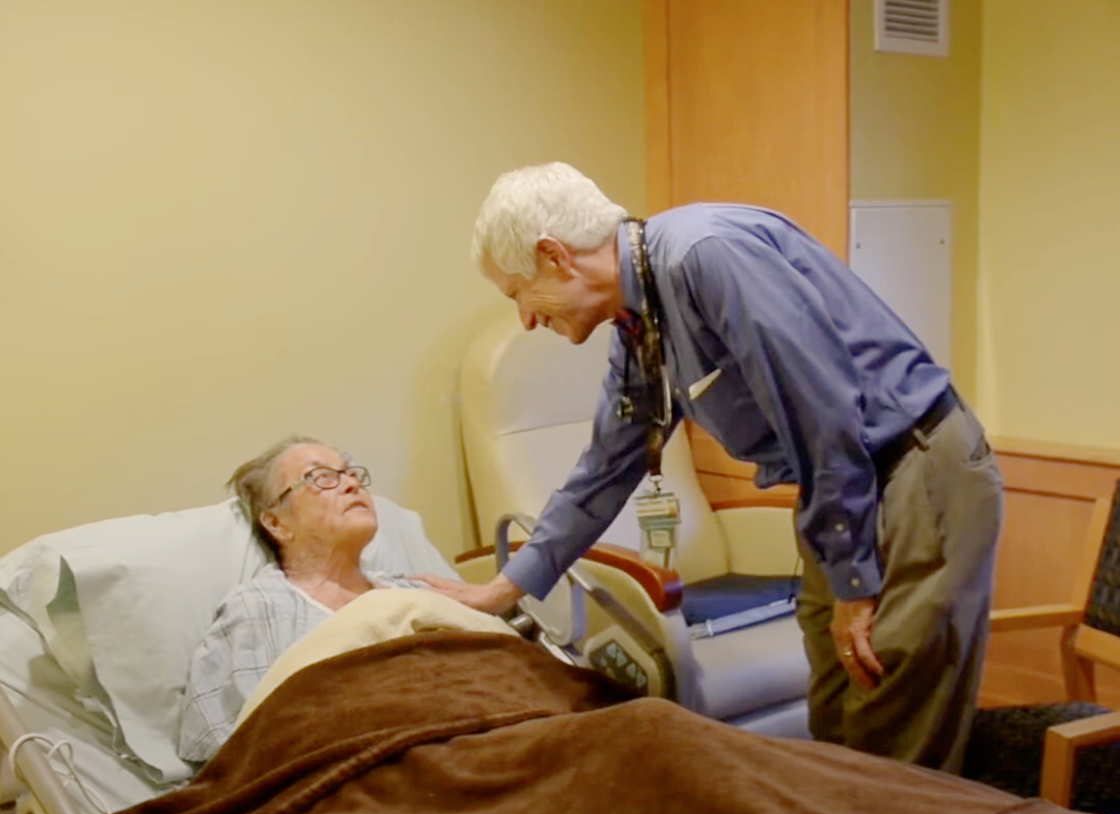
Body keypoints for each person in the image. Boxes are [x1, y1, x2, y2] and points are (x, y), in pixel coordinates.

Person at [421, 162, 1003, 772]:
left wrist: (855, 586)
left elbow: (824, 412)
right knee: (836, 710)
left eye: (518, 293)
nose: (526, 318)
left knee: (890, 708)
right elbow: (606, 465)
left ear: (555, 256)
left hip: (913, 467)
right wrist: (506, 586)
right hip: (846, 483)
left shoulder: (708, 254)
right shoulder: (639, 320)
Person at [176, 437, 427, 764]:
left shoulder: (413, 593)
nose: (351, 484)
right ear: (277, 523)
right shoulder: (260, 607)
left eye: (350, 472)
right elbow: (238, 750)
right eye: (319, 477)